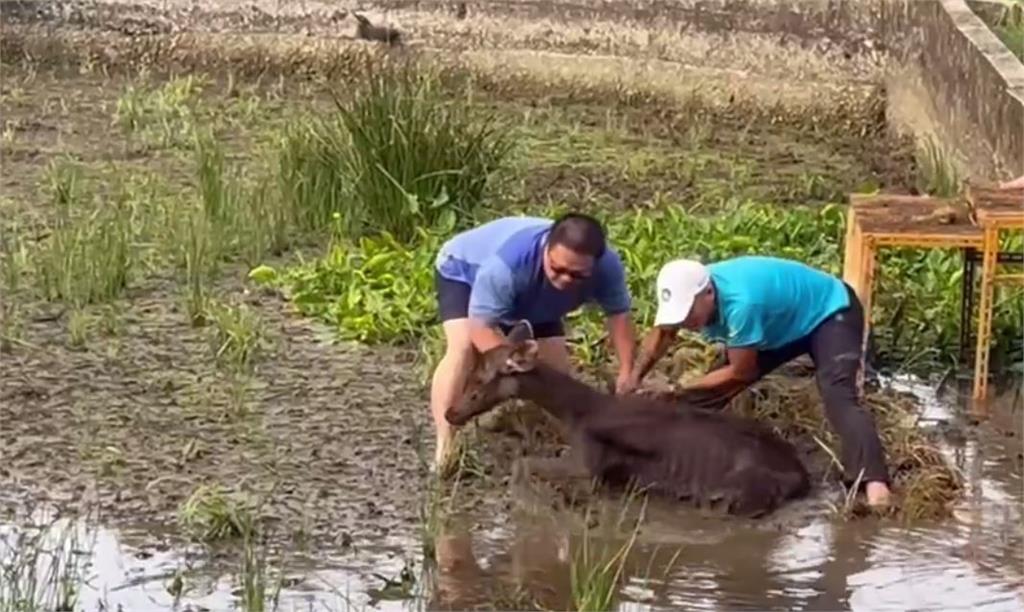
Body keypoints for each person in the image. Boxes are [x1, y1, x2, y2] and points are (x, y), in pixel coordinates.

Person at [628, 255, 893, 507]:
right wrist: (633, 378)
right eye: (679, 316)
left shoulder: (742, 303)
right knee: (698, 396)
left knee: (837, 394)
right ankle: (672, 461)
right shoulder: (690, 288)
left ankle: (875, 484)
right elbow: (663, 334)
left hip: (830, 312)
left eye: (688, 314)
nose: (685, 322)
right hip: (780, 325)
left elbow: (742, 372)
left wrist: (676, 387)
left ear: (708, 293)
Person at [430, 213, 637, 469]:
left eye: (576, 275)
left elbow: (619, 316)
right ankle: (446, 448)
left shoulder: (608, 267)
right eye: (558, 269)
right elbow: (480, 328)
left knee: (557, 374)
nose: (564, 279)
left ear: (594, 265)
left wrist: (627, 372)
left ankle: (569, 445)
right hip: (464, 273)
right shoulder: (505, 268)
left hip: (537, 296)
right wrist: (508, 360)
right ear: (546, 249)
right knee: (462, 349)